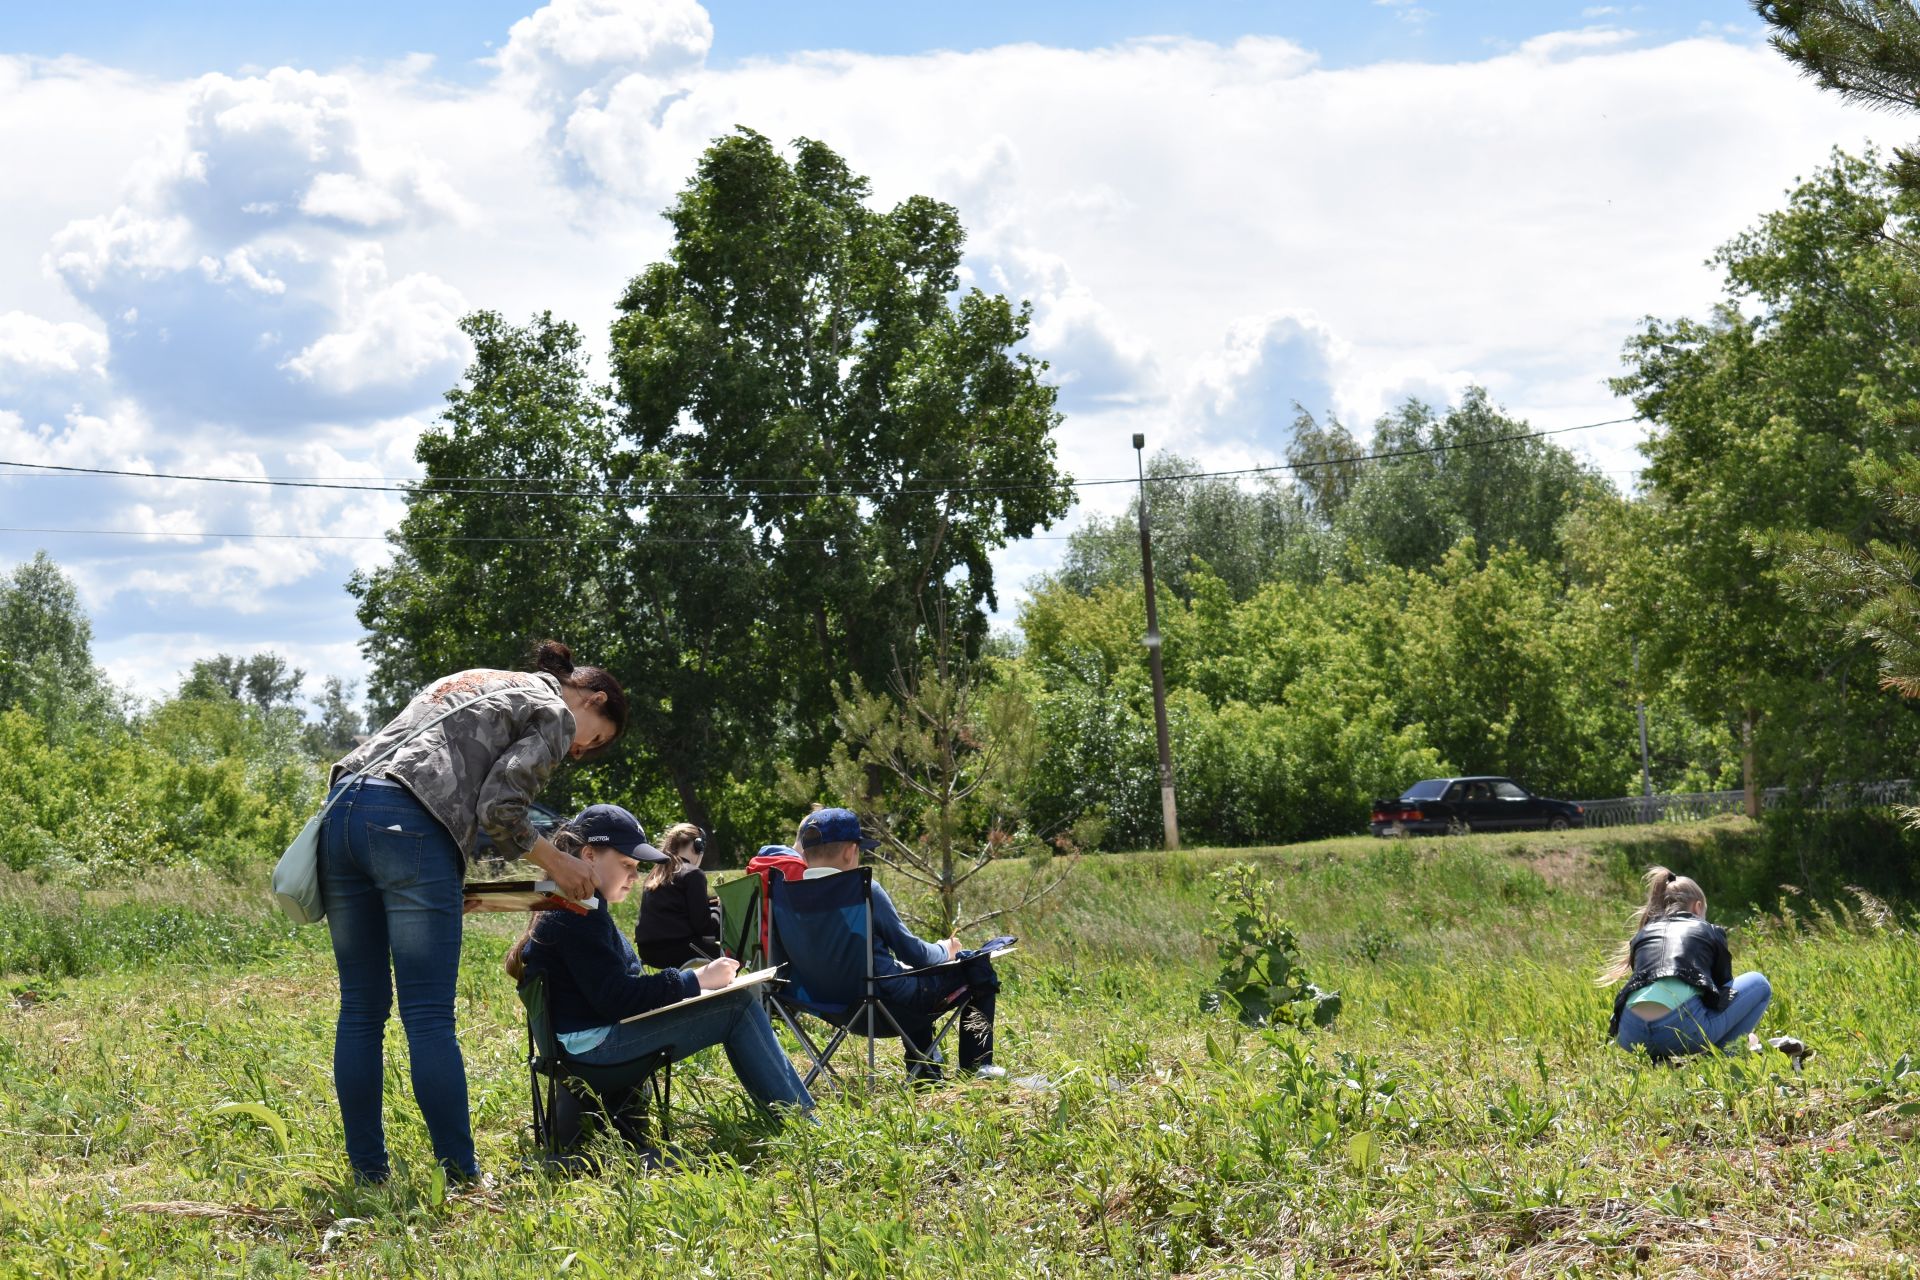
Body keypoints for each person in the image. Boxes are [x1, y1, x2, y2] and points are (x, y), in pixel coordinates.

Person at [321, 640, 625, 1185]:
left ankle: (368, 1173)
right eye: (594, 738)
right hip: (409, 822)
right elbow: (499, 809)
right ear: (593, 698)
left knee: (361, 1009)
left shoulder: (479, 676)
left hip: (340, 811)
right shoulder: (555, 711)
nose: (580, 752)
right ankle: (460, 1175)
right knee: (428, 1015)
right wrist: (555, 862)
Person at [505, 805, 813, 1120]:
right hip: (595, 1053)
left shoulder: (571, 904)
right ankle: (802, 1122)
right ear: (589, 856)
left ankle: (794, 1116)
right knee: (738, 1007)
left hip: (583, 1044)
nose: (632, 876)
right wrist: (697, 980)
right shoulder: (580, 914)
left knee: (735, 1004)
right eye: (626, 864)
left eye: (636, 867)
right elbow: (617, 998)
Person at [795, 806, 1006, 1082]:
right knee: (976, 967)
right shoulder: (864, 889)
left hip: (832, 1007)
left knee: (909, 977)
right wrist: (946, 949)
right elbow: (918, 955)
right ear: (850, 851)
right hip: (885, 1007)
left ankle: (926, 1075)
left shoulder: (792, 896)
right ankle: (976, 1067)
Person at [1601, 866, 1775, 1062]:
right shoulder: (1709, 931)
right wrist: (1740, 1033)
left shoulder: (1643, 934)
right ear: (1698, 907)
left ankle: (1659, 1061)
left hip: (1631, 1035)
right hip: (1678, 1033)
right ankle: (1726, 1055)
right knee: (1759, 983)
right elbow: (1722, 996)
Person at [632, 822, 721, 968]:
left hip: (648, 952)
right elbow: (703, 927)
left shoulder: (654, 875)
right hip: (679, 948)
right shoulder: (693, 873)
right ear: (697, 845)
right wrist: (718, 910)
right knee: (731, 960)